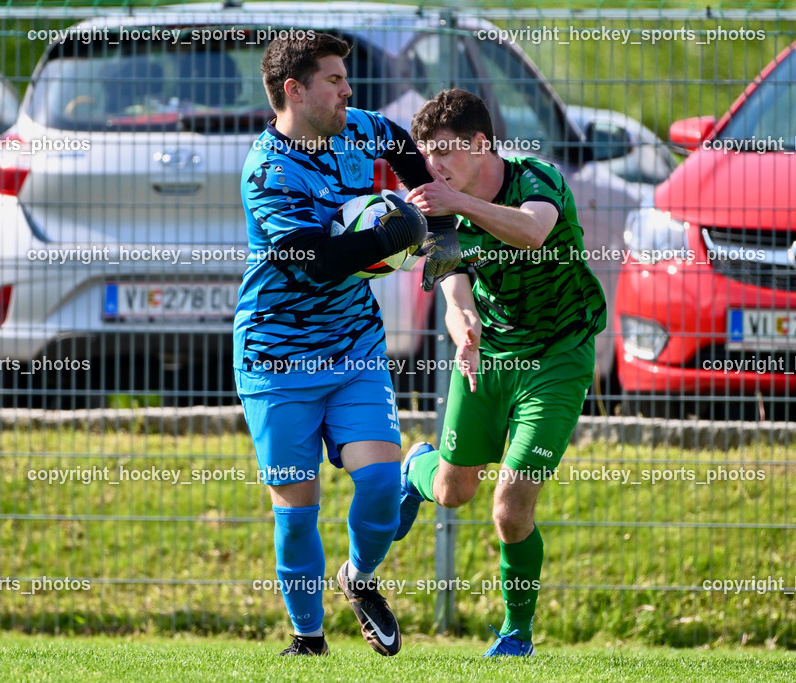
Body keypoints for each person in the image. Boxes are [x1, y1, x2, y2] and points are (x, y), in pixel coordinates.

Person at [234, 33, 460, 657]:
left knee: (383, 482)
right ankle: (308, 641)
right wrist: (394, 233)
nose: (347, 91)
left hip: (353, 345)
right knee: (297, 509)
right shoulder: (267, 171)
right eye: (333, 81)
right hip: (275, 357)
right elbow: (314, 262)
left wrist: (435, 235)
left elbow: (405, 153)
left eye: (345, 79)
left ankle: (359, 579)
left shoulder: (360, 128)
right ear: (294, 91)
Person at [394, 88, 607, 657]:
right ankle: (416, 469)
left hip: (557, 357)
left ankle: (517, 634)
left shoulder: (536, 179)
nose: (432, 165)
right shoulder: (435, 206)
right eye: (426, 152)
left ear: (481, 144)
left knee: (510, 509)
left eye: (445, 151)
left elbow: (532, 230)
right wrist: (463, 324)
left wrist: (457, 205)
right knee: (451, 491)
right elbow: (451, 279)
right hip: (489, 357)